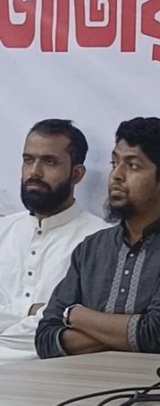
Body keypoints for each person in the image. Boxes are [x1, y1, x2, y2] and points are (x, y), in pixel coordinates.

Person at [35, 117, 160, 358]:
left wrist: (75, 315)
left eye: (132, 166)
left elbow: (159, 335)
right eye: (114, 163)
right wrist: (122, 334)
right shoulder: (92, 247)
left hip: (148, 379)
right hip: (77, 376)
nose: (116, 175)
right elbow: (45, 339)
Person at [0, 119, 108, 363]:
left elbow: (81, 332)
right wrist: (31, 312)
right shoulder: (3, 230)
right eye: (28, 160)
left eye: (49, 162)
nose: (34, 172)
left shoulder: (99, 241)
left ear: (77, 174)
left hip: (53, 372)